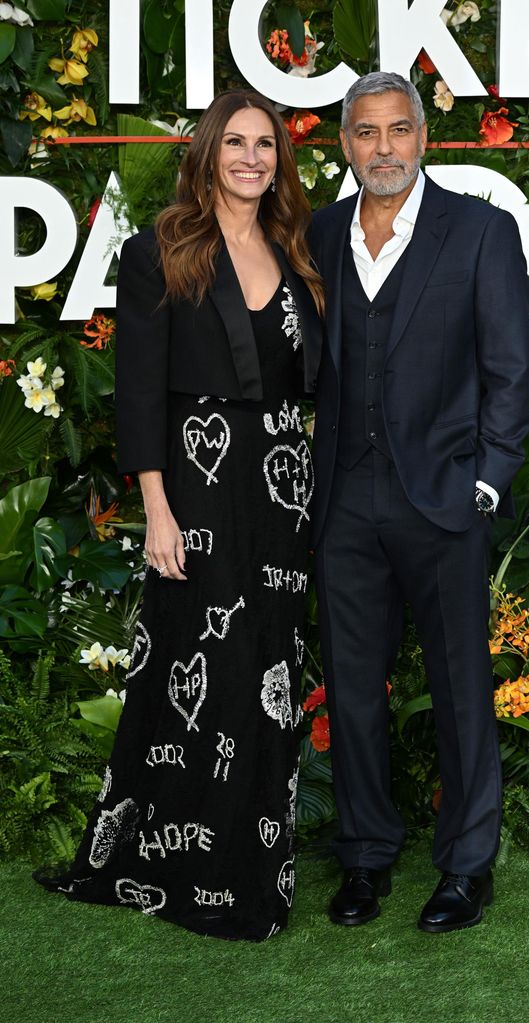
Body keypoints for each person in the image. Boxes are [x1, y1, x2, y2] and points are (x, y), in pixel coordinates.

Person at [34, 90, 323, 942]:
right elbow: (138, 391)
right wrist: (156, 508)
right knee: (204, 672)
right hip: (196, 488)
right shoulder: (160, 248)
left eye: (264, 144)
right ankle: (181, 865)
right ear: (206, 153)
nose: (250, 158)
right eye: (234, 142)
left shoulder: (291, 244)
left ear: (280, 158)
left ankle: (252, 865)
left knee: (270, 669)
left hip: (280, 482)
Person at [309, 72, 529, 933]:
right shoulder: (323, 232)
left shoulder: (480, 230)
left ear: (423, 137)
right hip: (345, 505)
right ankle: (365, 856)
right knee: (354, 690)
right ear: (345, 144)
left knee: (460, 689)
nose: (384, 148)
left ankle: (466, 867)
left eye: (399, 129)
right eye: (366, 134)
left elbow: (510, 369)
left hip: (444, 500)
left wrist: (487, 480)